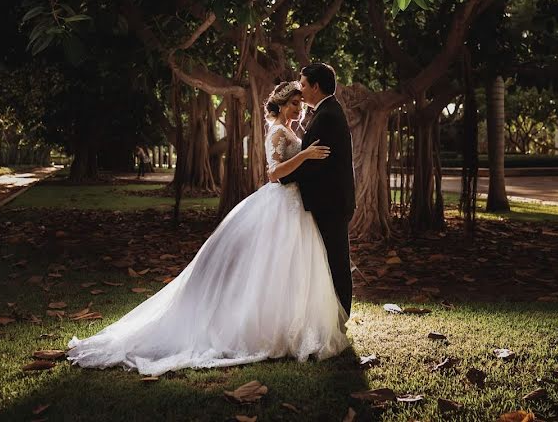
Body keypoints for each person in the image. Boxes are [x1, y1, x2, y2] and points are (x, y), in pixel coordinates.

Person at [66, 81, 350, 376]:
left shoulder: (291, 130)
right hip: (280, 204)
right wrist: (304, 155)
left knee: (290, 268)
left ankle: (290, 327)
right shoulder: (278, 131)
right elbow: (273, 174)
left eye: (301, 103)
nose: (299, 108)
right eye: (294, 103)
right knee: (271, 267)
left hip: (295, 206)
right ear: (281, 104)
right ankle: (263, 330)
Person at [272, 63, 356, 316]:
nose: (302, 89)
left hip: (330, 202)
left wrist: (282, 178)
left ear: (316, 86)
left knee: (336, 260)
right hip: (329, 200)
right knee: (328, 260)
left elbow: (314, 163)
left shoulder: (327, 116)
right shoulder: (326, 112)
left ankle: (340, 315)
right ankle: (330, 315)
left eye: (304, 85)